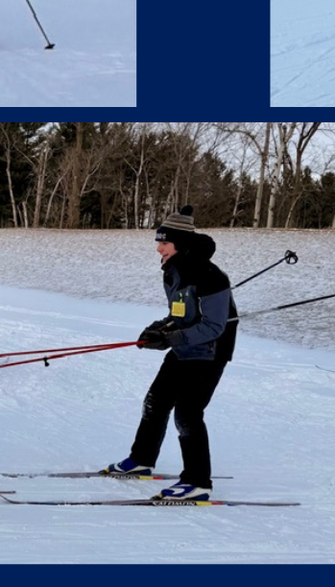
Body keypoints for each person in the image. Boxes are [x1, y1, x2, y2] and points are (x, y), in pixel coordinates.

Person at [102, 205, 238, 501]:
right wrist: (157, 329)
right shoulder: (174, 272)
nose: (158, 249)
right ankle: (142, 460)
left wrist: (172, 337)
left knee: (187, 415)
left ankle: (197, 482)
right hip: (186, 347)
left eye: (163, 242)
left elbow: (215, 326)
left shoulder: (211, 276)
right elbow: (179, 313)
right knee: (156, 401)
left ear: (180, 243)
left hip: (211, 352)